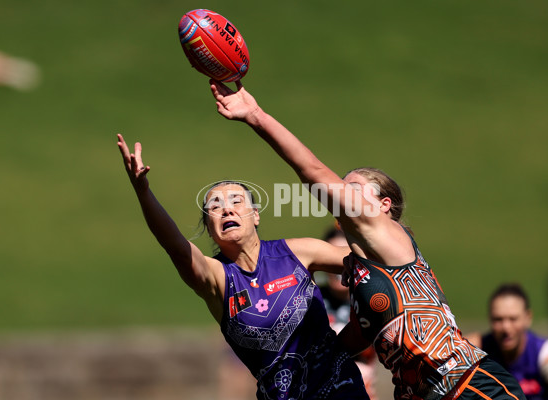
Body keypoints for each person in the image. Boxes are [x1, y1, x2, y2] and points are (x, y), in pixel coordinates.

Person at [209, 79, 526, 400]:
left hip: (470, 387)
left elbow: (312, 171)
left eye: (353, 188)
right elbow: (349, 341)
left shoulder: (390, 235)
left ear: (384, 206)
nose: (343, 194)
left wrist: (256, 116)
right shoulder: (362, 277)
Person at [116, 134, 370, 400]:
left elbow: (368, 260)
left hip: (342, 390)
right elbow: (176, 248)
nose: (227, 210)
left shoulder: (296, 252)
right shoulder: (217, 278)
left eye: (236, 201)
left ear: (255, 215)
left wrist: (386, 226)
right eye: (215, 206)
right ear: (210, 230)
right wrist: (142, 191)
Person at [467, 283, 548, 400]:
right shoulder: (477, 350)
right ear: (490, 319)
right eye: (498, 319)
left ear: (527, 317)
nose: (506, 328)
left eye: (513, 319)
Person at [318, 227, 379, 400]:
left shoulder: (371, 301)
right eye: (333, 258)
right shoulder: (309, 301)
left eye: (345, 258)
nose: (340, 265)